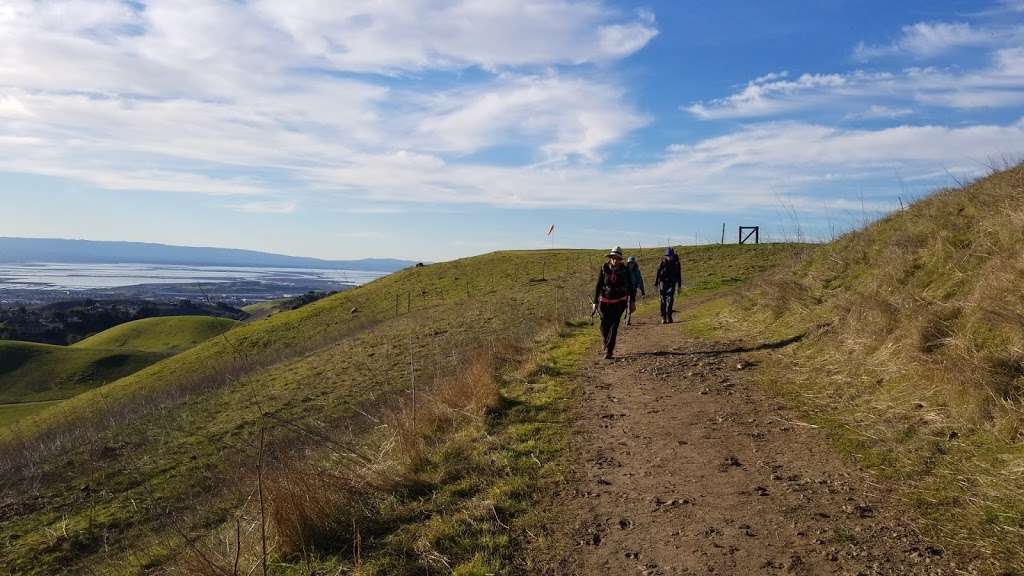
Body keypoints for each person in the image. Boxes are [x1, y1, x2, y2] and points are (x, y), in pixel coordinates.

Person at [592, 246, 636, 359]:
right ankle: (606, 342)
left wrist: (632, 302)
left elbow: (631, 287)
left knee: (614, 325)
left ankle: (609, 350)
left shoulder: (625, 270)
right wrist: (595, 302)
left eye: (617, 258)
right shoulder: (604, 268)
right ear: (610, 258)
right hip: (605, 301)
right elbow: (598, 285)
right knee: (603, 326)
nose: (615, 260)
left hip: (619, 301)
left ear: (620, 259)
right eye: (613, 258)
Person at [655, 247, 682, 323]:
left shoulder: (676, 263)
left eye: (670, 256)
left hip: (672, 283)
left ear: (673, 255)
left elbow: (679, 275)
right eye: (667, 256)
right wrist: (656, 283)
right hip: (662, 283)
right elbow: (658, 273)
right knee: (663, 300)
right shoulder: (662, 262)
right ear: (665, 256)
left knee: (670, 300)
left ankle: (669, 316)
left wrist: (679, 286)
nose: (669, 257)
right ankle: (663, 317)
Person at [624, 255, 645, 325]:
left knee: (632, 308)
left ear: (635, 263)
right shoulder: (625, 271)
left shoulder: (637, 271)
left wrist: (643, 291)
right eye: (630, 263)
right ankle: (628, 320)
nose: (631, 264)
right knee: (628, 305)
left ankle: (626, 315)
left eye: (632, 263)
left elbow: (640, 281)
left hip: (633, 291)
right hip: (625, 291)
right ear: (628, 263)